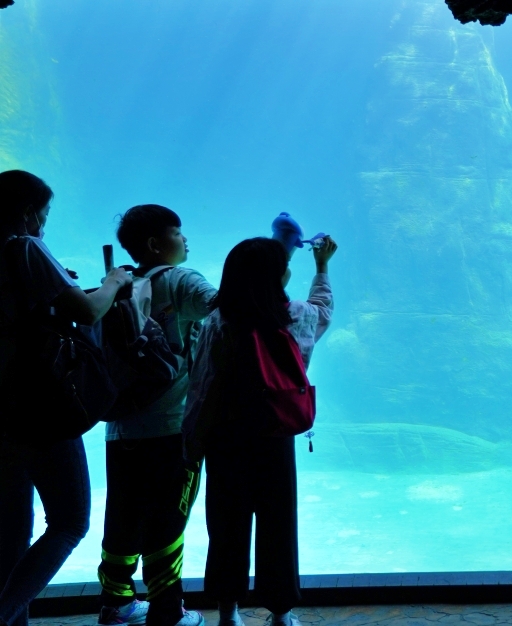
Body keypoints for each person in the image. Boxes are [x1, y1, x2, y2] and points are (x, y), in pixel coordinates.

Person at [0, 170, 133, 626]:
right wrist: (113, 282)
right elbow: (89, 309)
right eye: (44, 213)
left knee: (11, 531)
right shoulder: (25, 246)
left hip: (2, 410)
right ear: (26, 212)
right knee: (70, 521)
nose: (44, 224)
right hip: (39, 405)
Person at [183, 235, 335, 626]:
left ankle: (228, 611)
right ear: (277, 276)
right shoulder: (296, 316)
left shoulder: (219, 321)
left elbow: (202, 385)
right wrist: (321, 266)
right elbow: (324, 309)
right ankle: (281, 613)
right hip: (275, 435)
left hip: (226, 437)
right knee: (278, 522)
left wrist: (192, 441)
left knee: (226, 524)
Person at [97, 206, 217, 626]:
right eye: (178, 233)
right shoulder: (183, 279)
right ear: (156, 244)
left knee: (123, 515)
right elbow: (222, 306)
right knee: (169, 516)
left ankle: (115, 603)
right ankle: (167, 610)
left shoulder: (119, 281)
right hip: (171, 427)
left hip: (121, 425)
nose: (186, 241)